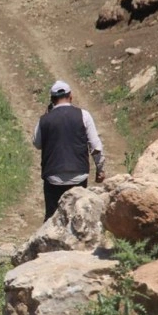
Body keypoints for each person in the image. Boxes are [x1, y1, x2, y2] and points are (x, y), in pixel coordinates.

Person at [33, 80, 106, 221]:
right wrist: (100, 169)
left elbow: (37, 143)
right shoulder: (84, 115)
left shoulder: (44, 120)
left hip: (53, 177)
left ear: (52, 100)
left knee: (52, 218)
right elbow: (96, 147)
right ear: (70, 96)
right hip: (79, 176)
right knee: (79, 217)